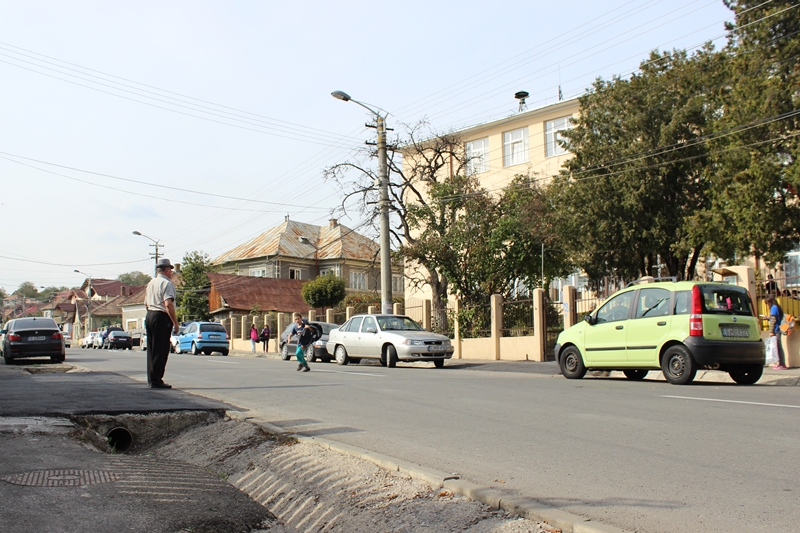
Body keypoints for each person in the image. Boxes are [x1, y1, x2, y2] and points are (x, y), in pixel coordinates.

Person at [144, 258, 179, 389]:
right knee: (161, 348)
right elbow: (168, 304)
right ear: (167, 270)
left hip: (150, 314)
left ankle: (151, 378)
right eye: (170, 270)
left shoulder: (151, 283)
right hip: (161, 315)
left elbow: (146, 303)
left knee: (152, 348)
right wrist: (175, 322)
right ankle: (157, 380)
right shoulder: (167, 284)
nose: (171, 273)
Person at [766, 295, 788, 370]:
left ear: (770, 302)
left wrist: (771, 331)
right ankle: (781, 363)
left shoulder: (773, 308)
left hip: (776, 330)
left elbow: (773, 321)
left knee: (778, 347)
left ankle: (782, 364)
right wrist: (768, 318)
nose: (767, 305)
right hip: (777, 329)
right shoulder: (776, 307)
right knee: (778, 347)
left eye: (767, 303)